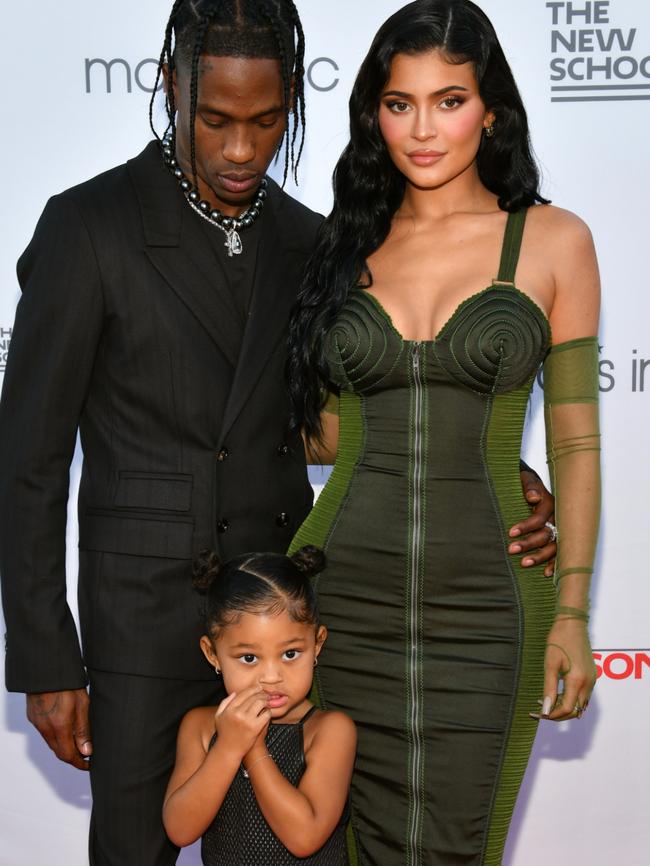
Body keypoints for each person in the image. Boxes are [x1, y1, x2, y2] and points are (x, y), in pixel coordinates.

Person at [0, 0, 556, 863]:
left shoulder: (312, 240)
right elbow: (27, 459)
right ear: (170, 86)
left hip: (285, 625)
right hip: (140, 623)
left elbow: (335, 423)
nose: (238, 149)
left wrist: (478, 461)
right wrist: (46, 655)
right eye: (216, 119)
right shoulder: (88, 227)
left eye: (265, 122)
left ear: (292, 99)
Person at [287, 1, 601, 864]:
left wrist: (572, 610)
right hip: (342, 596)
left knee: (462, 844)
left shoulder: (553, 240)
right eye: (400, 104)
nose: (423, 129)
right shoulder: (344, 247)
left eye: (449, 101)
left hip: (491, 605)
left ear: (490, 109)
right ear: (373, 115)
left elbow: (576, 441)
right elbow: (323, 436)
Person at [163, 544, 355, 864]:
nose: (271, 676)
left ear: (317, 644)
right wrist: (227, 748)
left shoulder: (330, 731)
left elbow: (305, 837)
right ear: (213, 655)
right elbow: (180, 830)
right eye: (249, 658)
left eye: (290, 654)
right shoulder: (199, 726)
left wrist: (251, 746)